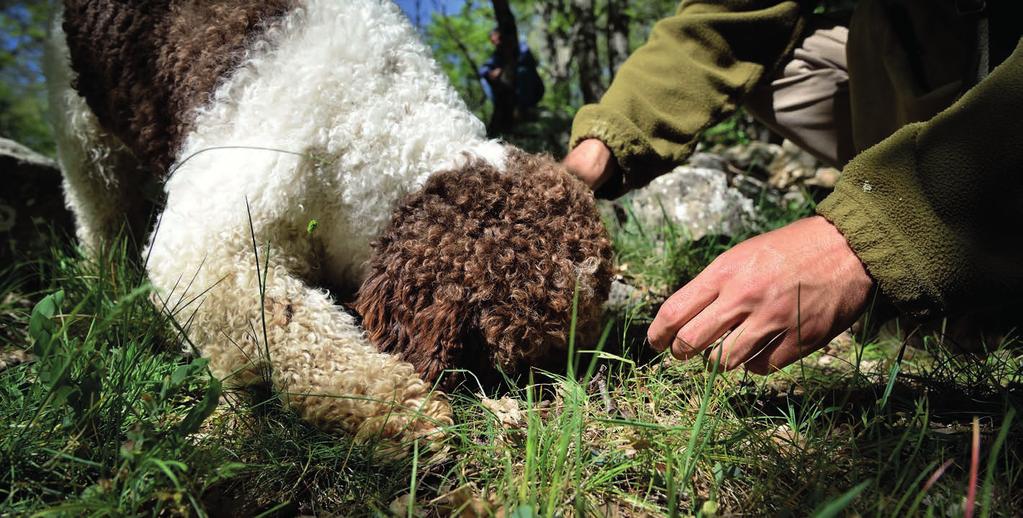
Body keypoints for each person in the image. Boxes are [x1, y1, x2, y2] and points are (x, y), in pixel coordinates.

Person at [563, 0, 1023, 373]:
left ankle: (979, 259)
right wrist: (604, 143)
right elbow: (725, 19)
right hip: (940, 40)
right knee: (778, 55)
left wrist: (871, 233)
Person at [479, 28, 545, 115]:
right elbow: (482, 70)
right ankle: (501, 109)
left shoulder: (520, 47)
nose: (496, 42)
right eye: (493, 41)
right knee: (484, 80)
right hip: (511, 93)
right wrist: (489, 73)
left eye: (498, 38)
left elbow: (526, 58)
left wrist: (502, 69)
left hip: (534, 90)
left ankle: (525, 109)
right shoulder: (496, 56)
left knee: (522, 71)